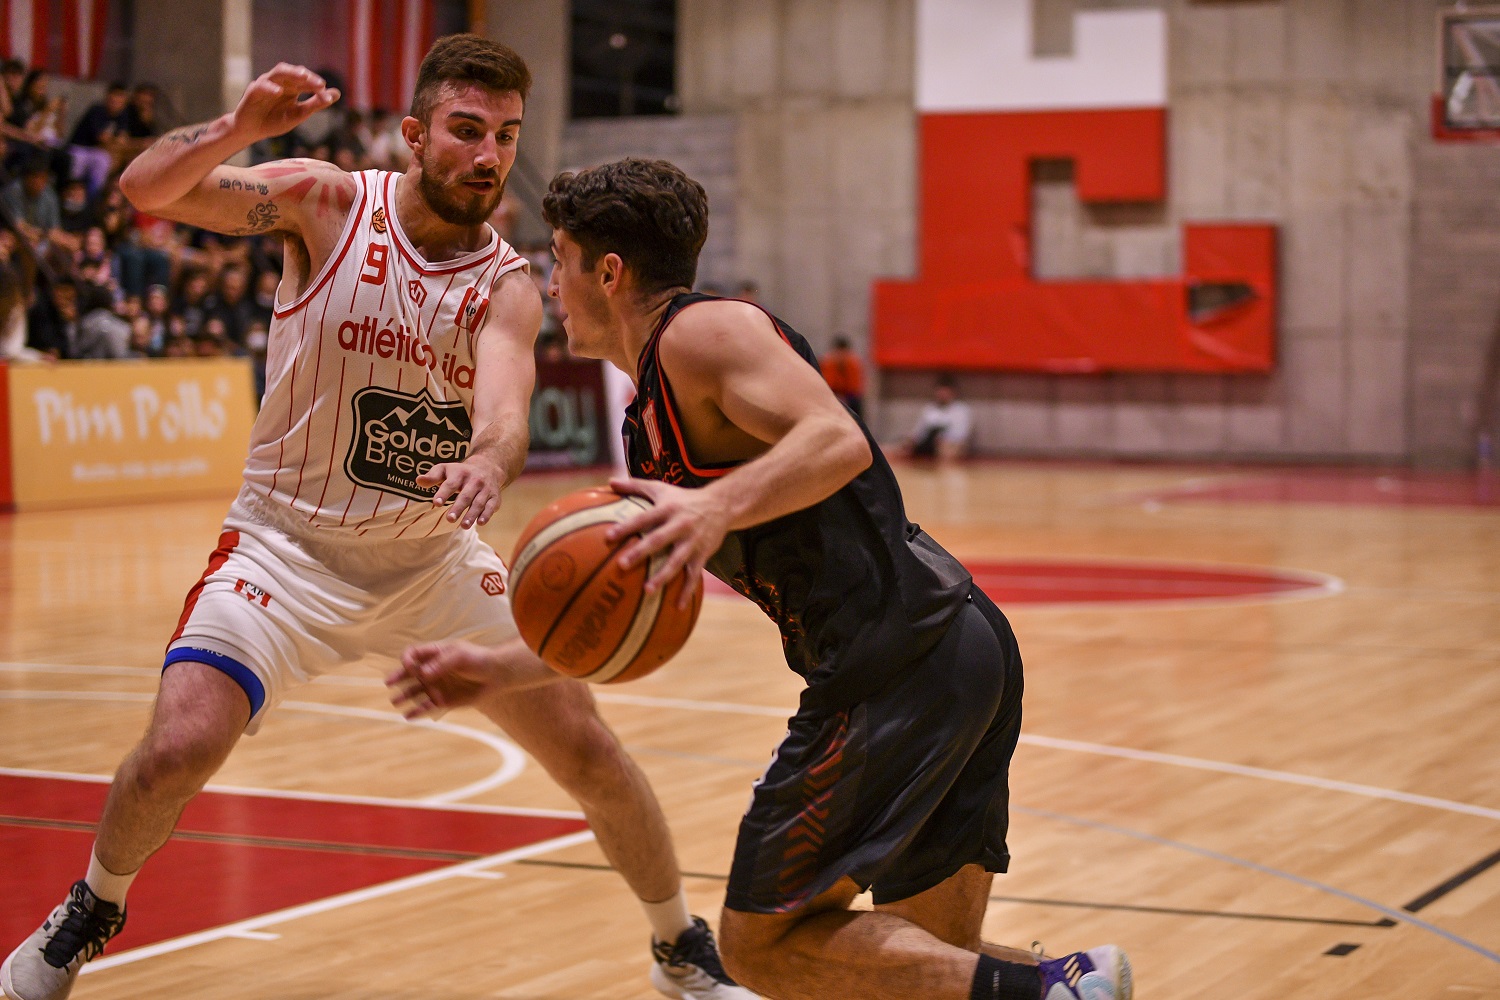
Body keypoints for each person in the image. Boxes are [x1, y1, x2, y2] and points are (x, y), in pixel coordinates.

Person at [0, 40, 752, 1000]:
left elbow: (508, 415)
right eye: (469, 130)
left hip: (432, 562)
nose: (489, 155)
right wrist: (237, 128)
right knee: (178, 749)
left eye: (506, 137)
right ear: (414, 133)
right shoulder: (325, 202)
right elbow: (150, 191)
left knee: (590, 749)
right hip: (284, 546)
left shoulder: (508, 285)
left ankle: (676, 947)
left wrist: (488, 459)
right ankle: (92, 907)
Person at [387, 158, 1132, 1000]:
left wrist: (713, 509)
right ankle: (1069, 982)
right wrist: (495, 668)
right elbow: (623, 613)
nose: (548, 280)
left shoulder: (702, 334)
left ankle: (1051, 994)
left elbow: (835, 438)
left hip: (892, 661)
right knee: (919, 966)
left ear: (608, 271)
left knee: (757, 945)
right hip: (950, 648)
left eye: (556, 257)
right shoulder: (651, 417)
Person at [908, 374, 972, 461]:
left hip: (949, 445)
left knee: (948, 449)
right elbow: (919, 431)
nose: (942, 395)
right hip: (927, 445)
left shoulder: (961, 410)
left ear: (953, 393)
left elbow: (961, 435)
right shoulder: (929, 409)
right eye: (940, 391)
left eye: (946, 392)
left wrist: (942, 440)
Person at [819, 334, 866, 419]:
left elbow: (854, 387)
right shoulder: (829, 362)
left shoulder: (852, 363)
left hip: (849, 397)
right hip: (834, 395)